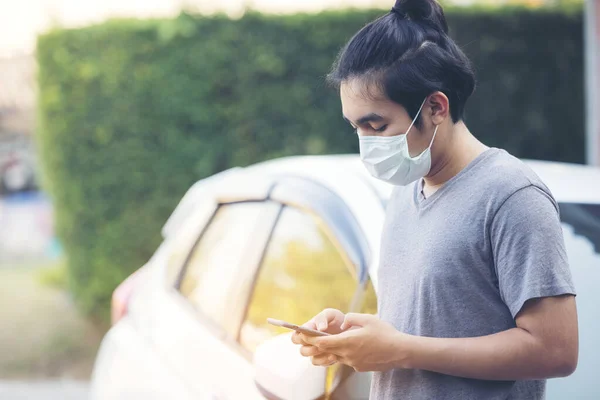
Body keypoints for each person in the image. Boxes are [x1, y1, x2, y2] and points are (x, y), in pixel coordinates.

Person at [291, 0, 579, 399]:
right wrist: (357, 335)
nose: (366, 143)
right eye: (356, 127)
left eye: (376, 125)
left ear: (435, 107)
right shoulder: (406, 191)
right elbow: (432, 323)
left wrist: (401, 350)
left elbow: (555, 351)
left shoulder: (512, 196)